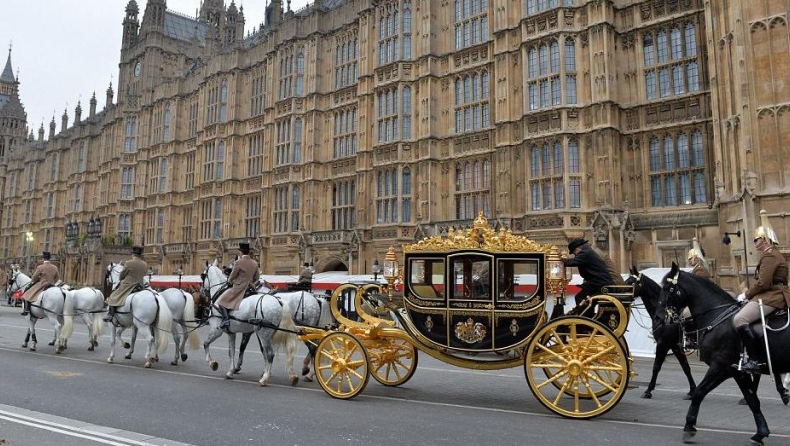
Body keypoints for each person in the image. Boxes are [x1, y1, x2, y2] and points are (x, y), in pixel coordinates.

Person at [732, 211, 790, 373]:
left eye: (756, 239)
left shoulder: (770, 256)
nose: (754, 242)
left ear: (764, 240)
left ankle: (755, 359)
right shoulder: (771, 255)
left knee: (739, 319)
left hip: (772, 297)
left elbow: (763, 283)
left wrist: (747, 294)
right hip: (771, 294)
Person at [563, 238, 614, 316]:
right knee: (585, 299)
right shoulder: (588, 251)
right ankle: (587, 316)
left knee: (580, 297)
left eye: (574, 252)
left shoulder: (585, 253)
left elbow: (572, 262)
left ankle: (585, 319)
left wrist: (560, 260)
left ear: (578, 248)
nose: (575, 255)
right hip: (599, 283)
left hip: (599, 284)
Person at [215, 243, 259, 329]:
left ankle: (226, 320)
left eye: (239, 251)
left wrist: (230, 281)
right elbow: (257, 277)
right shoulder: (254, 263)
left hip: (239, 287)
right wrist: (250, 282)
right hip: (251, 288)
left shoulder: (238, 262)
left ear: (240, 252)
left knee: (221, 302)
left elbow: (232, 275)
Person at [104, 246, 148, 322]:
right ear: (140, 255)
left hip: (129, 285)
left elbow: (121, 276)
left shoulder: (129, 263)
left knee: (113, 296)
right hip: (140, 285)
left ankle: (110, 314)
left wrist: (122, 278)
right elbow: (144, 273)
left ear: (133, 254)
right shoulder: (144, 264)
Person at [20, 252, 60, 316]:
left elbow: (34, 277)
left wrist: (36, 280)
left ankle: (26, 309)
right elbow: (57, 277)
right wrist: (52, 282)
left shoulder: (40, 267)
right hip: (52, 284)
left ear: (43, 258)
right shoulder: (55, 267)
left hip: (42, 284)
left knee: (27, 293)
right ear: (50, 258)